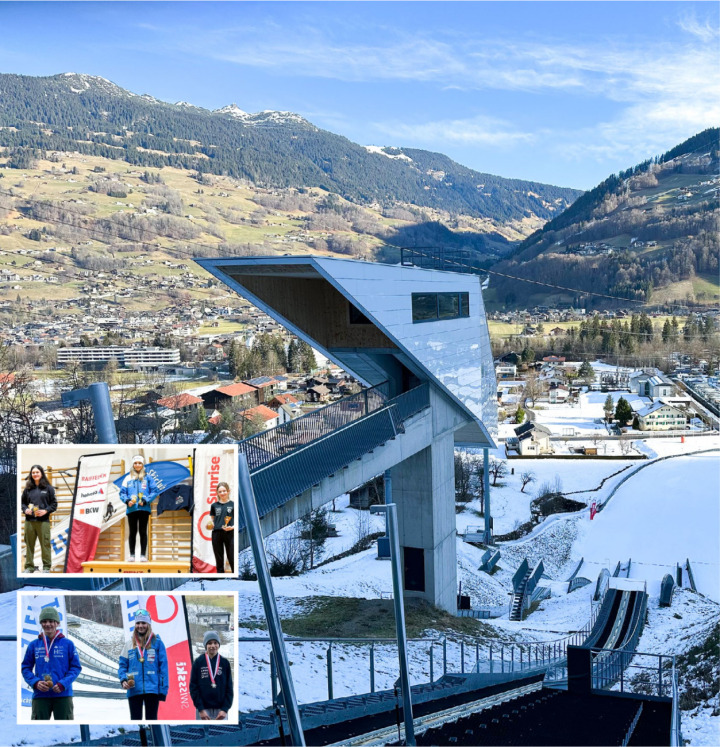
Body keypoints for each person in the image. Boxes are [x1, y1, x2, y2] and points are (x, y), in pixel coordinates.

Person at [21, 606, 81, 721]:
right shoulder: (34, 645)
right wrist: (35, 682)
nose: (47, 624)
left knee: (65, 729)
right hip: (40, 695)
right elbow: (25, 668)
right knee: (38, 729)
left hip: (63, 695)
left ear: (57, 623)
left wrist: (63, 684)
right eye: (44, 621)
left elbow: (76, 667)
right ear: (41, 623)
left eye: (51, 621)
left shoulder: (68, 644)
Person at [118, 609, 168, 721]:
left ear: (149, 624)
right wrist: (123, 679)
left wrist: (163, 690)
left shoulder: (157, 643)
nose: (140, 626)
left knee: (152, 720)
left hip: (152, 689)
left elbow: (163, 668)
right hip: (134, 688)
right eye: (138, 623)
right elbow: (122, 666)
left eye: (143, 623)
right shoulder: (129, 645)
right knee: (136, 721)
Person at [119, 455, 159, 562]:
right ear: (133, 464)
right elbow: (122, 493)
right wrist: (127, 501)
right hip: (131, 509)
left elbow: (154, 491)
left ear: (142, 464)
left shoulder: (148, 477)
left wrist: (146, 500)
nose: (137, 465)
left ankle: (142, 555)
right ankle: (131, 554)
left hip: (144, 509)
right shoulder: (127, 478)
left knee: (142, 531)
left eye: (140, 463)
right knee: (132, 532)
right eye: (135, 463)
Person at [189, 631, 233, 721]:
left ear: (219, 644)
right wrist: (200, 709)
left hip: (221, 710)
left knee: (221, 733)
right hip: (203, 710)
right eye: (209, 643)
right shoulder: (198, 662)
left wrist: (225, 709)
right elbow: (193, 687)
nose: (213, 646)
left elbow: (229, 688)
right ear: (206, 645)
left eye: (215, 643)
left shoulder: (225, 663)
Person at [21, 464, 57, 573]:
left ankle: (46, 567)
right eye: (33, 473)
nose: (35, 474)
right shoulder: (27, 489)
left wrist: (46, 510)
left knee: (45, 545)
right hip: (29, 522)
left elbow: (54, 504)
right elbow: (22, 503)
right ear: (31, 475)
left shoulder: (48, 488)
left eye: (37, 472)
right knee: (29, 545)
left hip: (43, 522)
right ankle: (29, 567)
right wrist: (25, 509)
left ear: (41, 473)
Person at [209, 481, 234, 573]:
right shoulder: (214, 505)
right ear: (217, 493)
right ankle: (220, 576)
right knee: (218, 557)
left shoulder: (233, 504)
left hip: (230, 533)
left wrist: (232, 527)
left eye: (224, 491)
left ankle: (235, 576)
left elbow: (237, 520)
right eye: (220, 492)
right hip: (216, 533)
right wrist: (211, 524)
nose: (222, 493)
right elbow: (213, 519)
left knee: (231, 556)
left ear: (228, 491)